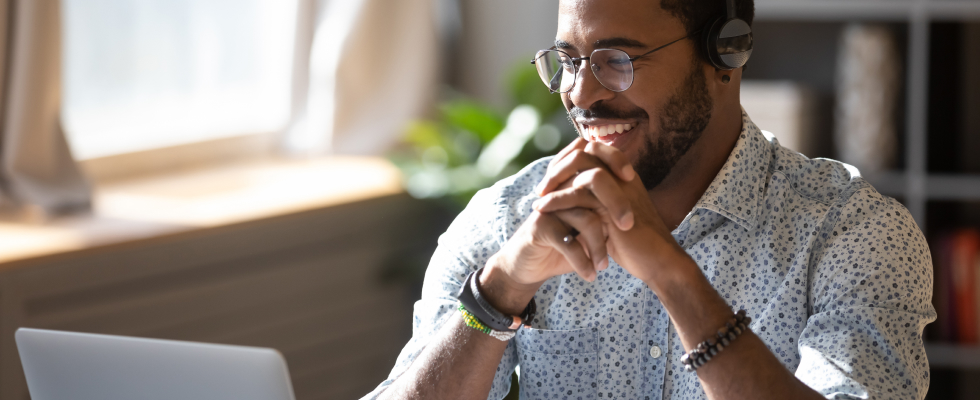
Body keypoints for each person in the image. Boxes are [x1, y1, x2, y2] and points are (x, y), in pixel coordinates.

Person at [364, 0, 936, 399]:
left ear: (726, 53)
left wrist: (673, 275)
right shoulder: (508, 221)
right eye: (568, 61)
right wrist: (499, 292)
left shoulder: (854, 233)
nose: (581, 95)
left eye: (618, 60)